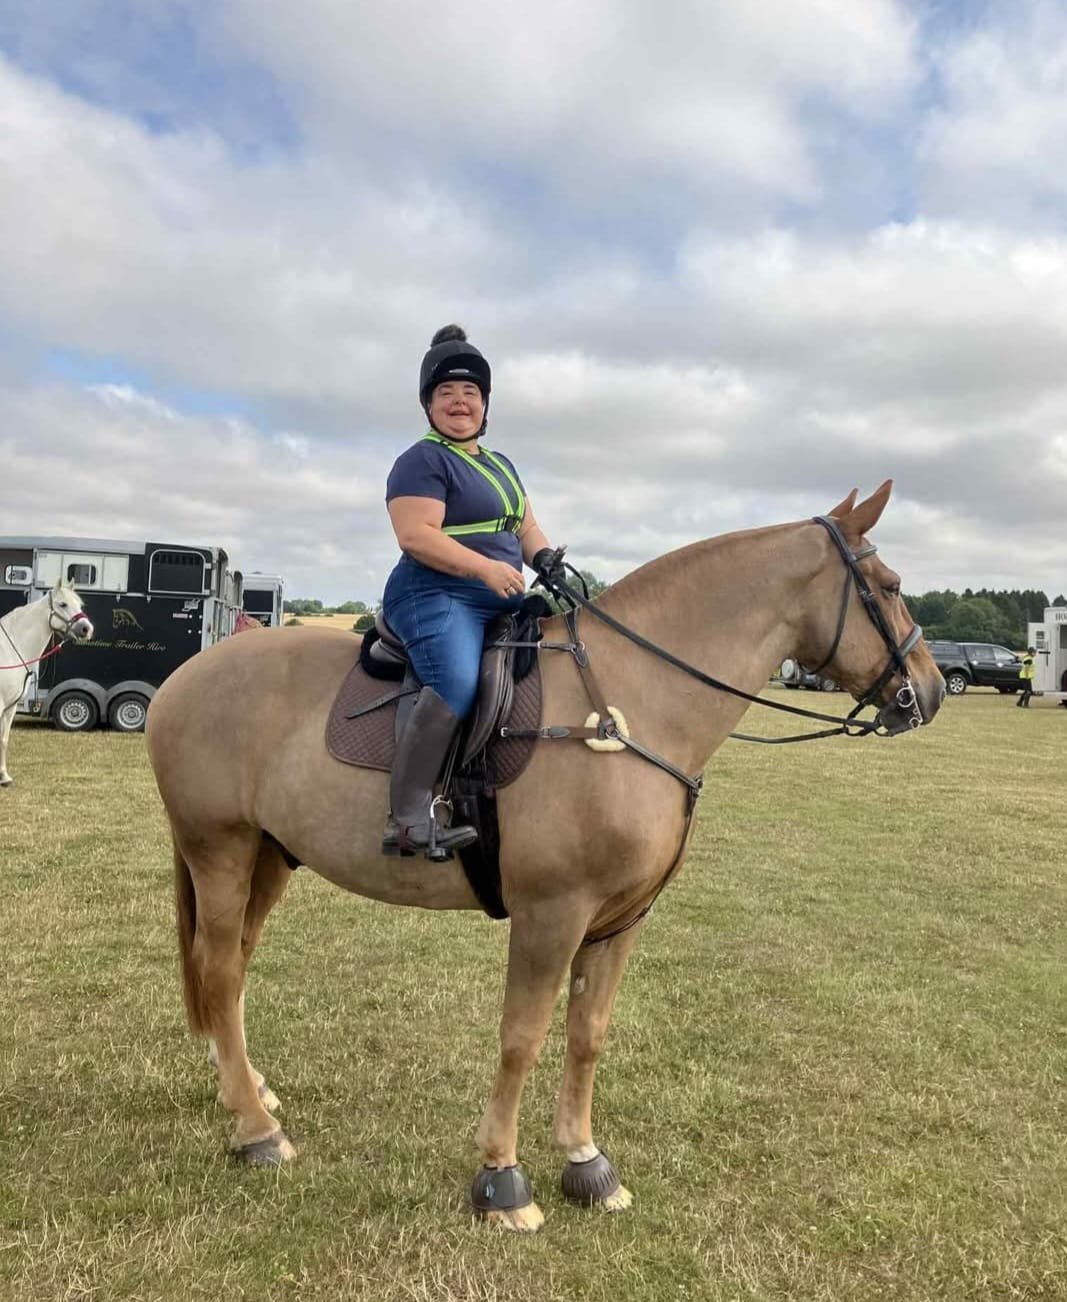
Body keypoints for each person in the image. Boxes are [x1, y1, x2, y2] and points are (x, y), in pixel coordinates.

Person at [380, 324, 563, 857]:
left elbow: (526, 527)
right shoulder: (421, 461)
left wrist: (543, 558)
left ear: (484, 404)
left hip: (498, 596)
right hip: (434, 594)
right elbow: (416, 535)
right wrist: (485, 569)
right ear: (428, 404)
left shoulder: (502, 466)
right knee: (457, 681)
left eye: (470, 392)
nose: (460, 401)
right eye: (446, 392)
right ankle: (408, 819)